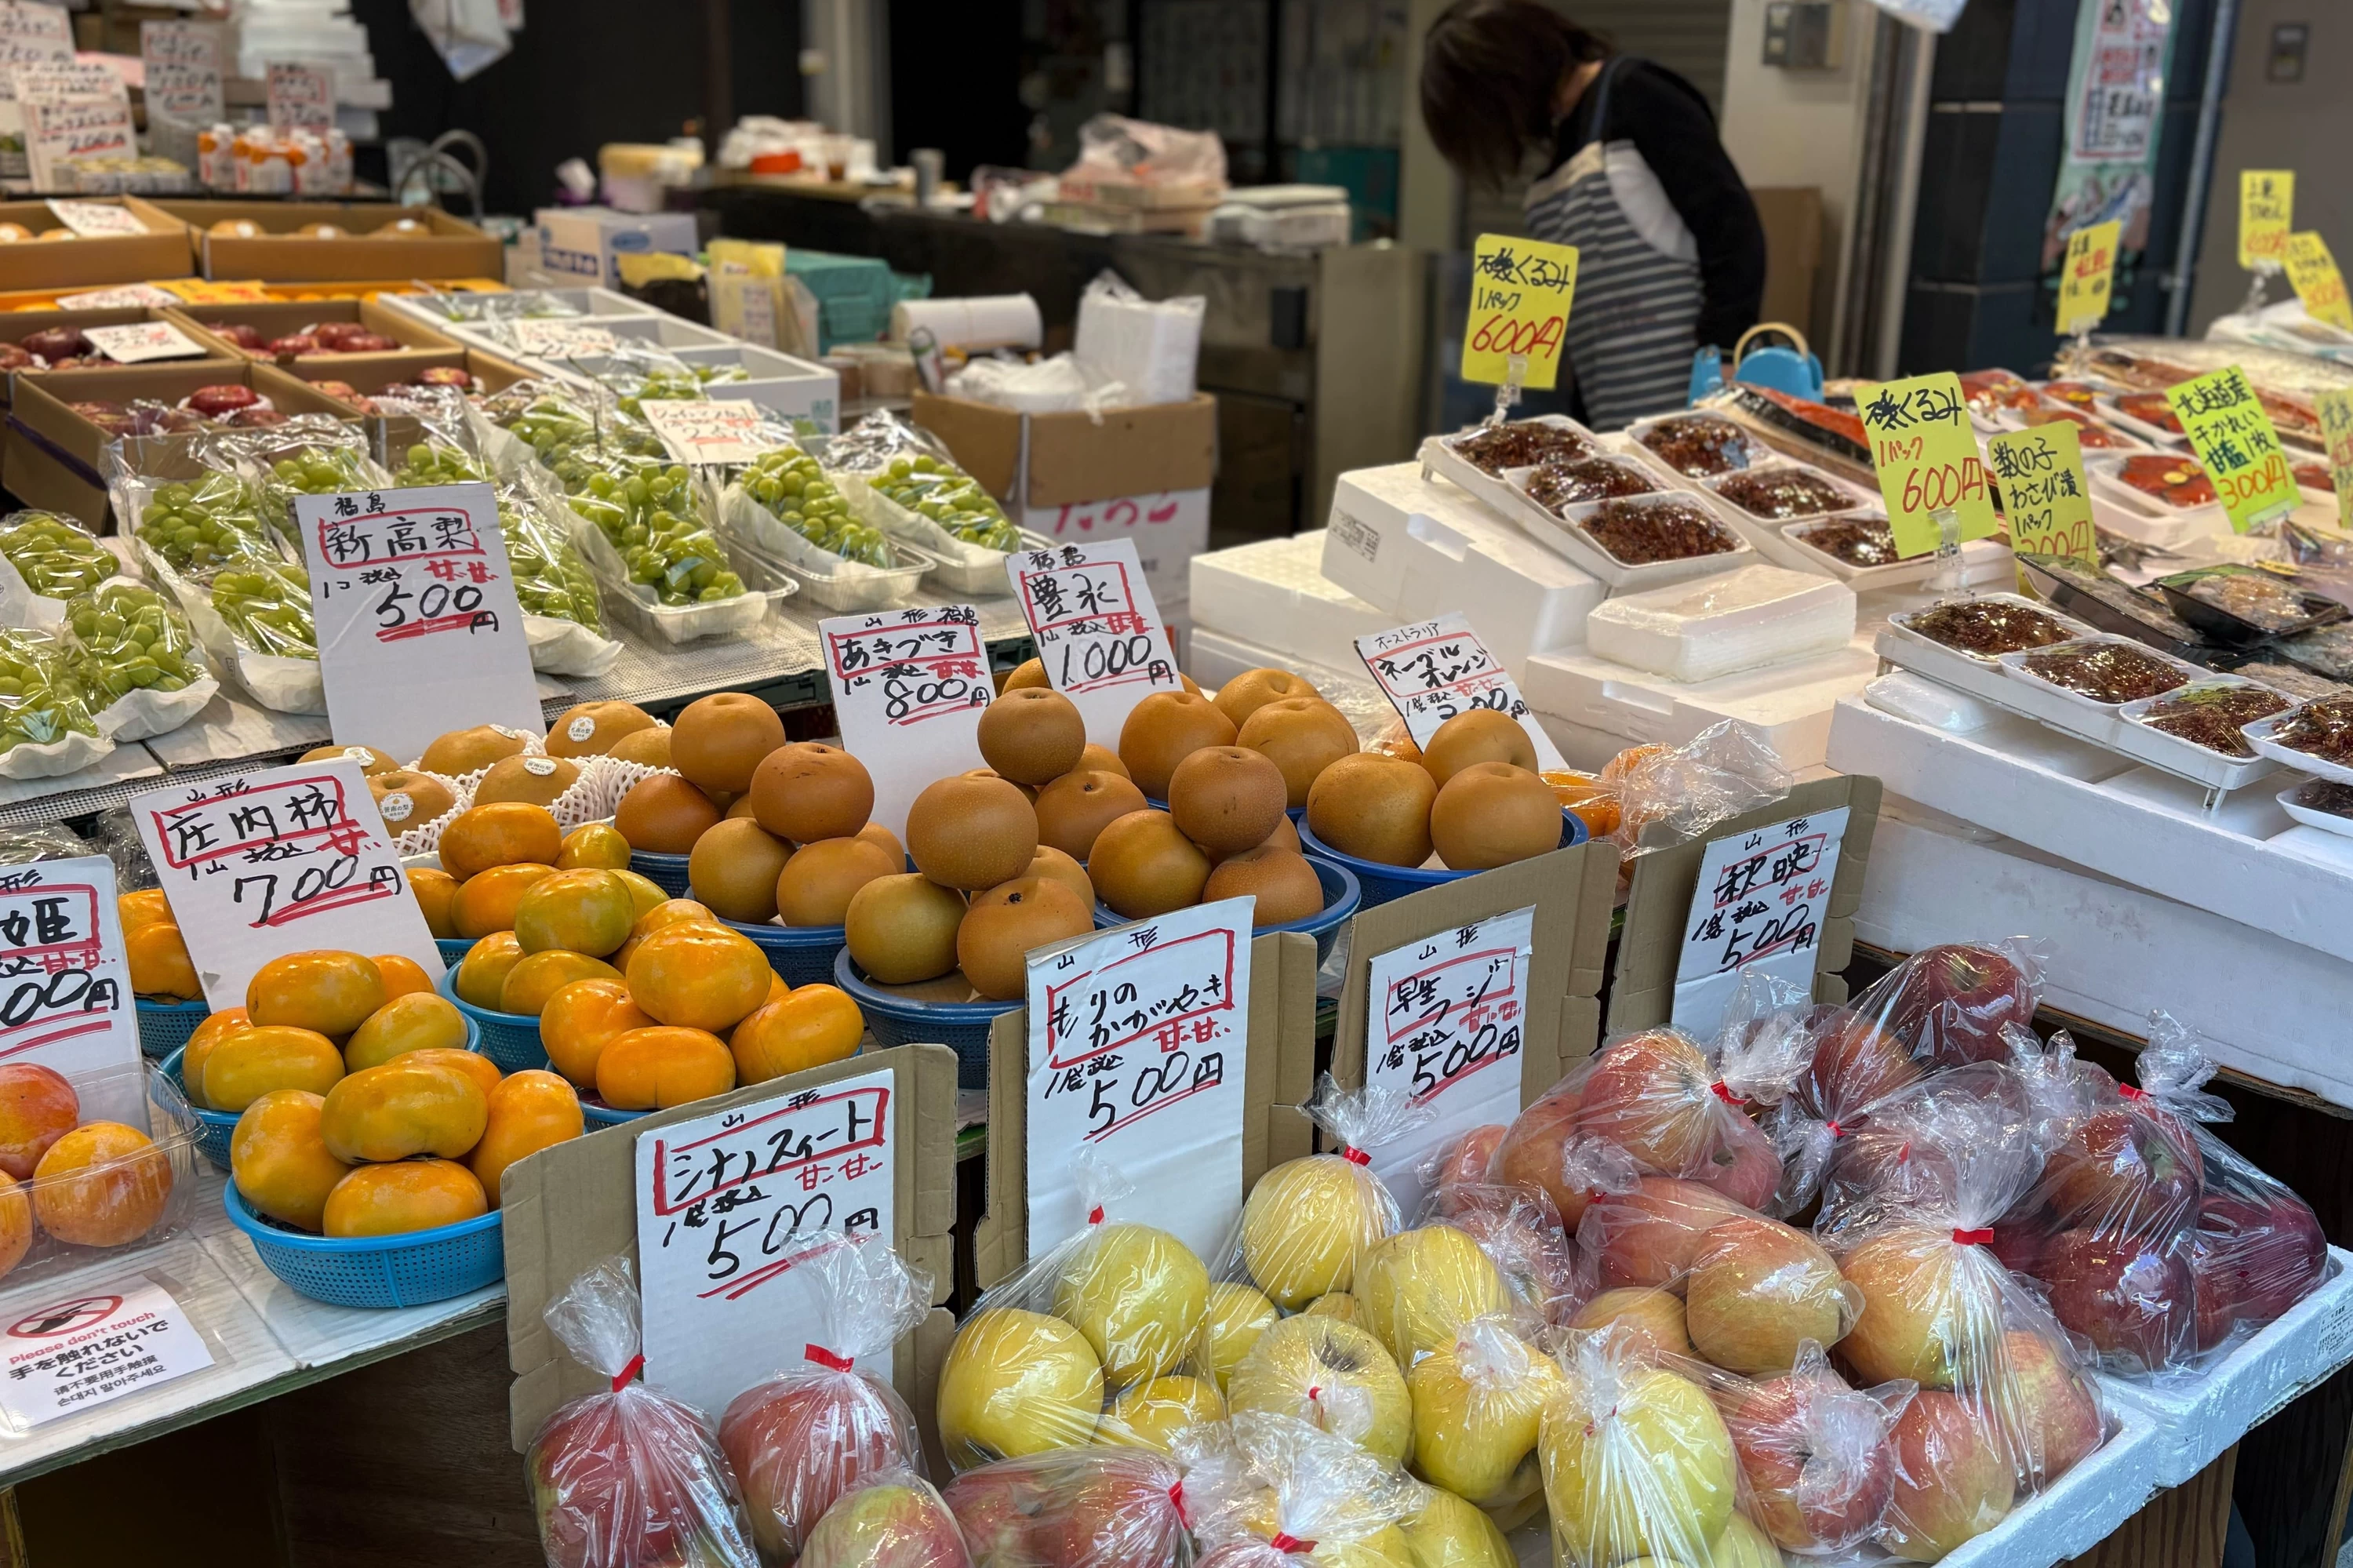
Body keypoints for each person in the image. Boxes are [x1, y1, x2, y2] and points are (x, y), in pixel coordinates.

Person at [1420, 0, 1767, 429]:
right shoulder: (1562, 147)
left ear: (1507, 82)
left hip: (1693, 401)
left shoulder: (1636, 93)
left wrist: (1727, 355)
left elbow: (1732, 229)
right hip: (1611, 416)